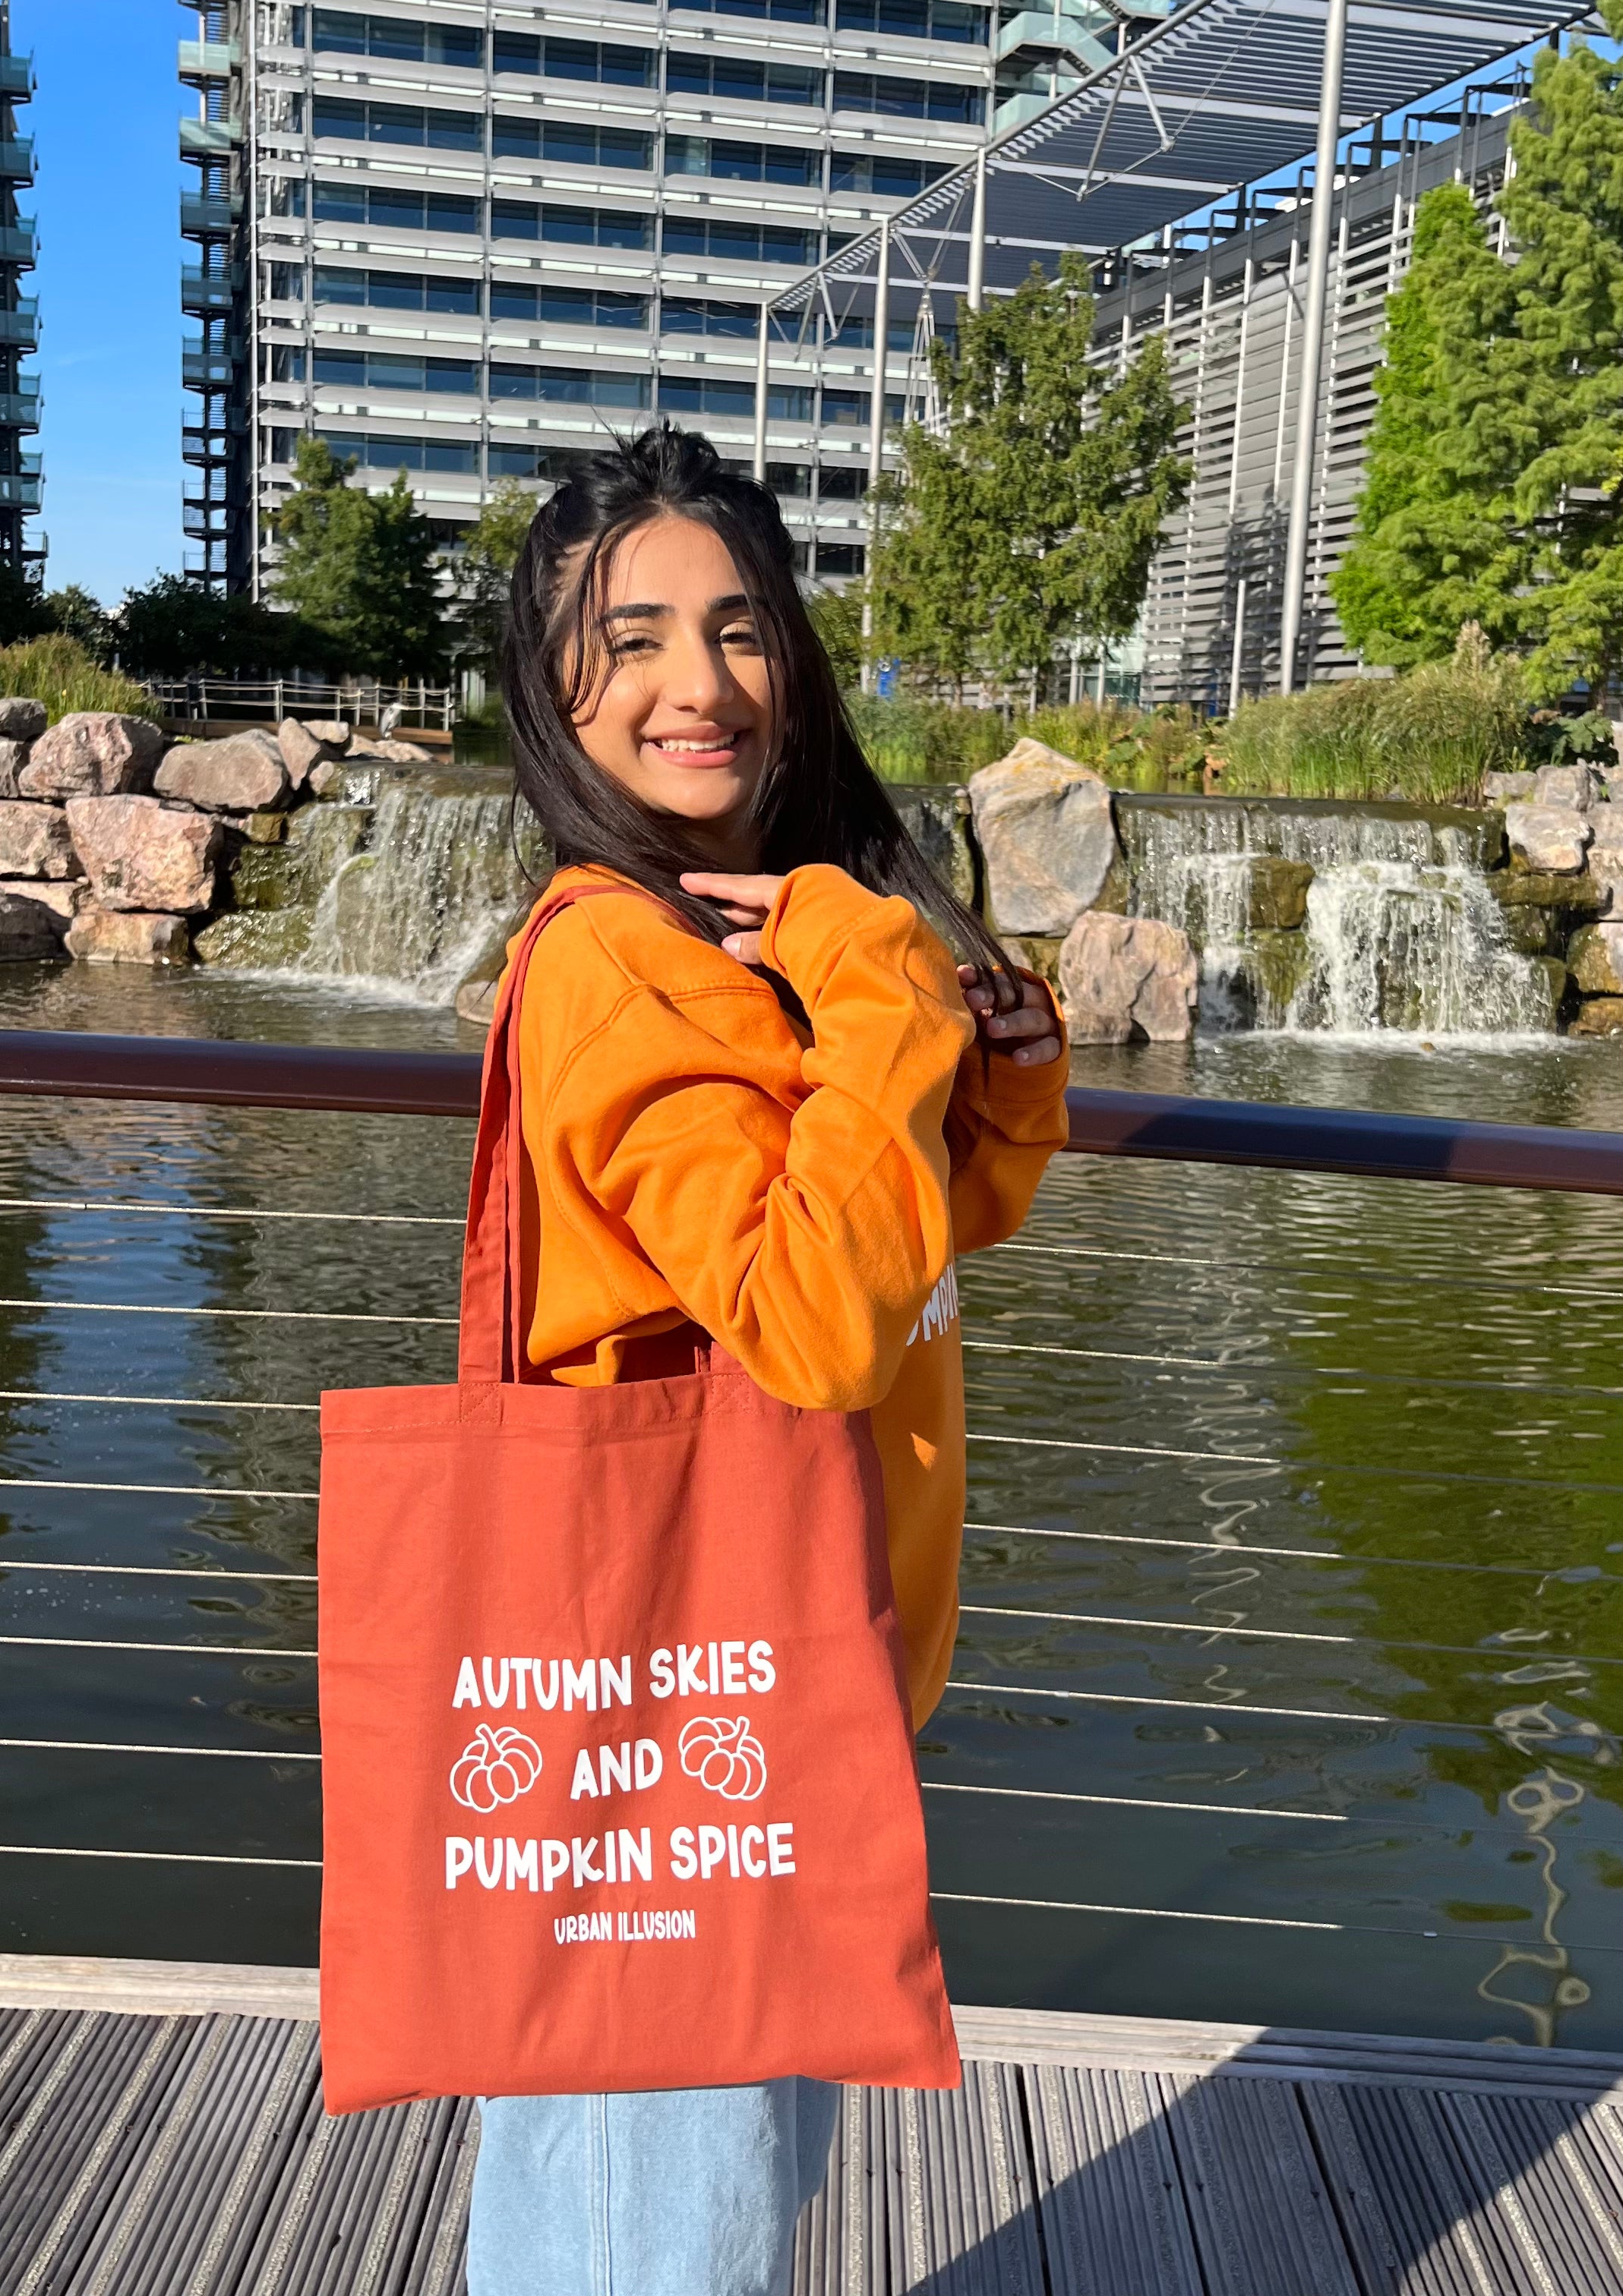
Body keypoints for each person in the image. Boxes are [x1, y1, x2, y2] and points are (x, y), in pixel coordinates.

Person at [467, 422, 1069, 2296]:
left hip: (783, 1675)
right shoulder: (626, 963)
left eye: (739, 628)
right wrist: (879, 980)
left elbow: (887, 1256)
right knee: (670, 2225)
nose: (696, 682)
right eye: (629, 635)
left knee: (671, 2192)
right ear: (552, 680)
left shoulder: (757, 931)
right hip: (686, 1701)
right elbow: (809, 1332)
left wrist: (1005, 1090)